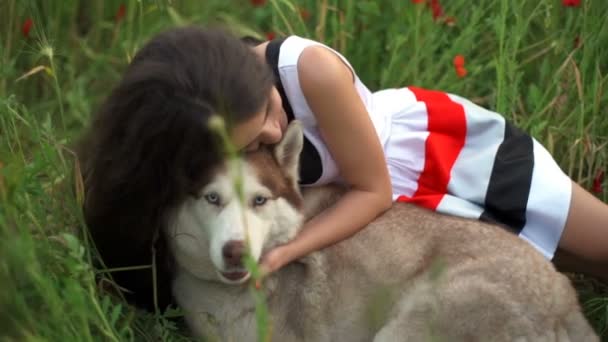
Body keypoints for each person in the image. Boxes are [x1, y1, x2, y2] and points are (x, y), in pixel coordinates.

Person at [79, 26, 606, 312]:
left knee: (596, 247)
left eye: (266, 114)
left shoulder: (311, 72)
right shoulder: (197, 121)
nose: (269, 134)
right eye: (247, 143)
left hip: (442, 159)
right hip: (403, 228)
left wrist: (286, 250)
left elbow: (372, 190)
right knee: (539, 266)